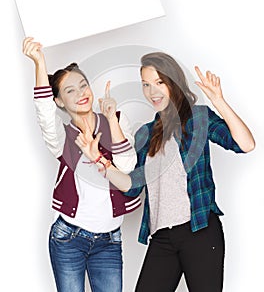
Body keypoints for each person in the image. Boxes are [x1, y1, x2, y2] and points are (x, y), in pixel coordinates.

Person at [75, 51, 255, 292]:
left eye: (159, 82)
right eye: (146, 85)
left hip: (199, 230)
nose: (152, 92)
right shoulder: (146, 134)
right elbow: (132, 187)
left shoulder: (198, 118)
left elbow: (246, 144)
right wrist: (99, 159)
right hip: (162, 237)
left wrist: (219, 101)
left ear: (173, 82)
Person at [22, 37, 141, 292]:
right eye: (70, 91)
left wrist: (111, 120)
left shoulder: (116, 120)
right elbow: (43, 112)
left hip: (110, 241)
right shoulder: (62, 137)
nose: (80, 94)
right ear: (60, 101)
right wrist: (39, 64)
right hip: (68, 239)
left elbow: (128, 166)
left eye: (83, 85)